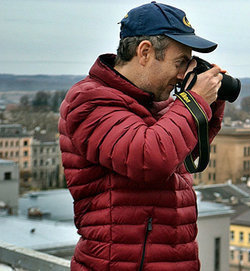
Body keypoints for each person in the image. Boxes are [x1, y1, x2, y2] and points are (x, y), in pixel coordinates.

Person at [59, 2, 226, 270]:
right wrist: (194, 100)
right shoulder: (89, 100)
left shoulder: (156, 104)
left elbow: (180, 155)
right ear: (145, 52)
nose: (183, 74)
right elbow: (150, 159)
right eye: (180, 62)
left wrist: (211, 104)